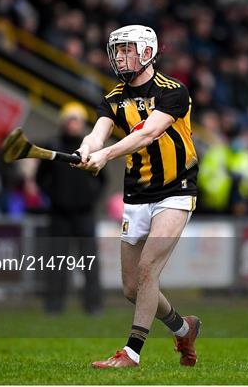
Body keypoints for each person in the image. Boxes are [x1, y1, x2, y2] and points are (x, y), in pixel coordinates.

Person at [74, 25, 201, 368]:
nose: (119, 56)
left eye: (127, 49)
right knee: (132, 287)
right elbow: (97, 132)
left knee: (148, 270)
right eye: (116, 50)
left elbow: (148, 133)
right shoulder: (114, 96)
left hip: (176, 191)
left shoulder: (173, 91)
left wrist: (106, 156)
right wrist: (88, 150)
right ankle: (183, 327)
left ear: (147, 53)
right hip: (137, 195)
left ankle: (131, 353)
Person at [36, 101, 105, 315]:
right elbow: (41, 178)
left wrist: (89, 197)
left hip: (84, 214)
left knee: (89, 263)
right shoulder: (53, 146)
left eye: (78, 120)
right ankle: (54, 305)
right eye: (71, 119)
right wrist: (55, 197)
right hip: (59, 215)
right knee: (57, 263)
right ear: (64, 122)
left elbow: (102, 178)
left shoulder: (91, 149)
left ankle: (93, 305)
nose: (74, 124)